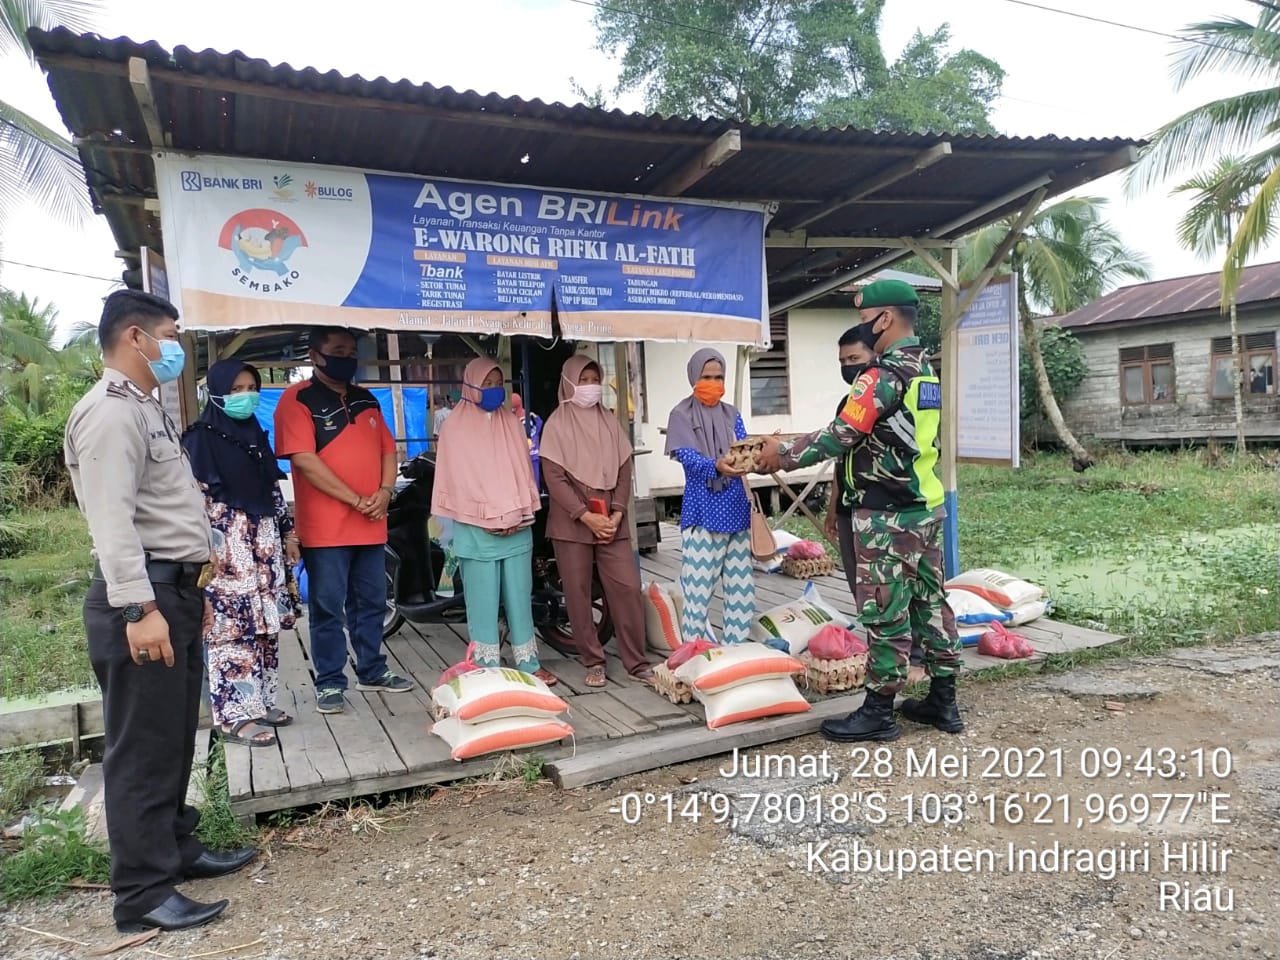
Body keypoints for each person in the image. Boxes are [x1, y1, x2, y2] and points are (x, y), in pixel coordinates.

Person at [65, 290, 255, 934]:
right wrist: (139, 606)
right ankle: (142, 893)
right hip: (140, 596)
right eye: (169, 334)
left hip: (173, 591)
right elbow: (111, 522)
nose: (175, 347)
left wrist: (187, 593)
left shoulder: (145, 408)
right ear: (135, 338)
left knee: (173, 732)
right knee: (142, 745)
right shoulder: (110, 415)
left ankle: (176, 846)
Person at [758, 279, 963, 742]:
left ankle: (878, 712)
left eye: (863, 318)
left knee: (886, 612)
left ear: (883, 319)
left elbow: (839, 436)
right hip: (925, 508)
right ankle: (944, 700)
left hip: (887, 516)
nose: (861, 327)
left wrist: (782, 454)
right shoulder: (925, 370)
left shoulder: (883, 375)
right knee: (931, 603)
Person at [274, 327, 413, 715]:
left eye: (351, 351)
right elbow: (303, 459)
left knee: (371, 601)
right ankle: (331, 682)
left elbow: (389, 450)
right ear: (314, 354)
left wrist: (385, 492)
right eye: (338, 350)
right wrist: (355, 499)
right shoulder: (296, 399)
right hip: (326, 530)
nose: (347, 358)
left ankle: (372, 670)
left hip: (371, 523)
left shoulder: (367, 398)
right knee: (327, 606)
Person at [182, 360, 302, 747]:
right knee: (231, 630)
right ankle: (234, 716)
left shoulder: (254, 434)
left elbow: (271, 490)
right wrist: (203, 551)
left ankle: (261, 702)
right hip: (226, 549)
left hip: (263, 544)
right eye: (235, 389)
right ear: (217, 392)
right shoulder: (199, 438)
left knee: (265, 625)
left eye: (251, 387)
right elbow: (193, 502)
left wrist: (288, 534)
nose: (245, 395)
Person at [431, 358, 559, 685]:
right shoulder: (454, 428)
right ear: (471, 385)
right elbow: (456, 481)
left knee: (520, 597)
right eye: (486, 383)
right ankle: (485, 666)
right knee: (482, 601)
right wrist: (485, 517)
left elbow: (524, 473)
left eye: (498, 383)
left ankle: (528, 663)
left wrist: (520, 512)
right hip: (477, 528)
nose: (493, 390)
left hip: (515, 525)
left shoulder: (510, 423)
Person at [540, 355, 654, 687]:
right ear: (570, 383)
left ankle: (637, 661)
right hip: (573, 522)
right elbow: (554, 476)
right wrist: (585, 515)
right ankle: (594, 660)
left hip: (611, 520)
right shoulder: (557, 424)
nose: (591, 386)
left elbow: (623, 468)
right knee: (577, 592)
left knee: (627, 587)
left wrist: (617, 511)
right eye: (584, 379)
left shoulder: (609, 421)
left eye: (595, 379)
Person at [823, 326, 928, 686]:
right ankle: (880, 655)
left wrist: (782, 458)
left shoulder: (891, 393)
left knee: (898, 592)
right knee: (864, 589)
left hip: (889, 509)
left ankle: (909, 661)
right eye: (842, 362)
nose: (849, 367)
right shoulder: (848, 403)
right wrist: (834, 506)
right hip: (852, 507)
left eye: (855, 359)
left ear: (875, 356)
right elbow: (843, 457)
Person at [665, 348, 756, 645]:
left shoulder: (732, 414)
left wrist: (757, 454)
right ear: (694, 377)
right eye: (706, 377)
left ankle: (735, 652)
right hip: (703, 513)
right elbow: (688, 458)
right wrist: (716, 465)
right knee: (698, 593)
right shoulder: (681, 414)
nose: (713, 383)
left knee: (741, 592)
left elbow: (742, 451)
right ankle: (694, 655)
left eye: (718, 377)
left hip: (737, 510)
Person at [511, 391, 544, 489]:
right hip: (534, 453)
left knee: (525, 480)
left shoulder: (515, 420)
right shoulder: (528, 416)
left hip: (523, 455)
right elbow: (539, 425)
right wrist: (536, 417)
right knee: (535, 479)